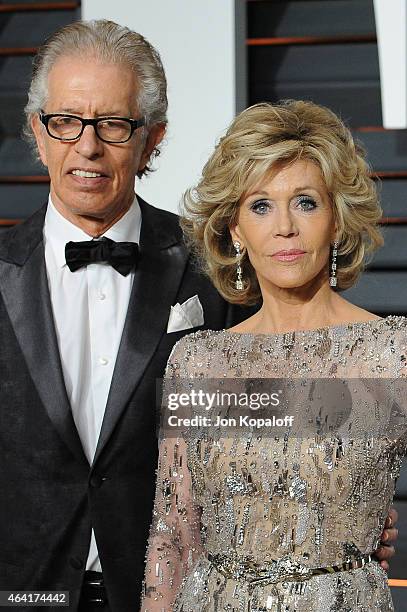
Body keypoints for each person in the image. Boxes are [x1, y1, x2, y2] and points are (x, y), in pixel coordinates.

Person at [0, 19, 254, 612]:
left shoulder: (213, 269)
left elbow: (262, 420)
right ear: (38, 134)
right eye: (65, 122)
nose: (87, 147)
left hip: (169, 595)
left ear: (152, 139)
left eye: (113, 124)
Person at [141, 100, 405, 611]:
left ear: (336, 219)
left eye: (305, 202)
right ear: (236, 229)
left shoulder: (392, 355)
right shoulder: (198, 363)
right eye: (261, 206)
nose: (284, 227)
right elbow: (172, 535)